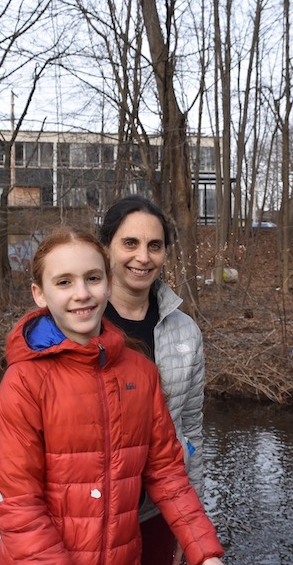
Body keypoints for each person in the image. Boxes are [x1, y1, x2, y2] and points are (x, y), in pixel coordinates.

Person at [0, 226, 224, 565]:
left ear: (109, 284)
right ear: (40, 294)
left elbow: (167, 474)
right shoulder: (24, 382)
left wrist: (204, 551)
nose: (82, 293)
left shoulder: (140, 373)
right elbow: (19, 505)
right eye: (64, 282)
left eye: (93, 278)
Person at [98, 195, 206, 565]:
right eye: (130, 243)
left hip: (161, 510)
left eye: (154, 246)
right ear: (106, 248)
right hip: (94, 515)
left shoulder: (185, 331)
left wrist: (191, 526)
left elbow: (191, 432)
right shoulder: (80, 325)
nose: (143, 257)